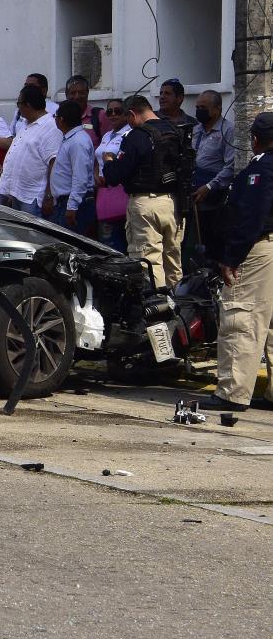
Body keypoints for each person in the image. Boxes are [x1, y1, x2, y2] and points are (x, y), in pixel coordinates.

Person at [200, 112, 273, 412]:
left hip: (258, 250)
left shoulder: (262, 169)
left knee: (241, 317)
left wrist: (231, 258)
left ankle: (232, 392)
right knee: (270, 326)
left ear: (255, 140)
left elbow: (250, 218)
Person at [102, 95, 184, 289]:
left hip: (145, 204)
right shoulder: (175, 131)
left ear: (132, 114)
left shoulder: (136, 136)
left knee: (148, 261)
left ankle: (158, 311)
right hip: (175, 203)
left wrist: (109, 162)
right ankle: (181, 308)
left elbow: (115, 176)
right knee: (173, 260)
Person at [0, 85, 61, 216]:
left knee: (33, 234)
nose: (18, 108)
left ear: (29, 105)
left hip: (33, 197)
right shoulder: (26, 124)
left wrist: (49, 196)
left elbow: (54, 163)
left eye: (19, 103)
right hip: (17, 194)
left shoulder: (50, 127)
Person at [188, 89, 235, 262]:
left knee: (214, 243)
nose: (199, 110)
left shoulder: (228, 130)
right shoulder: (196, 130)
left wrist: (210, 186)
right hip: (194, 195)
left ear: (217, 108)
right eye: (197, 107)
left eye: (204, 107)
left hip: (214, 196)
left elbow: (231, 165)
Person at [46, 100, 96, 231]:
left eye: (55, 117)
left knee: (71, 247)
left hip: (75, 203)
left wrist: (72, 206)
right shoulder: (70, 138)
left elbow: (80, 176)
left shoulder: (78, 141)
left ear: (61, 120)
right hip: (64, 202)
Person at [93, 99, 132, 252]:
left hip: (121, 191)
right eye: (110, 111)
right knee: (107, 241)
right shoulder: (107, 134)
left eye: (118, 111)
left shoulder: (130, 133)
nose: (113, 114)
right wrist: (96, 175)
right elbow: (98, 158)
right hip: (104, 191)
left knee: (123, 238)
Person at [64, 74, 108, 147]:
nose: (77, 96)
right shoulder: (61, 119)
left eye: (81, 93)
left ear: (87, 93)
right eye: (73, 93)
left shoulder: (100, 116)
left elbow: (109, 146)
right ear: (66, 94)